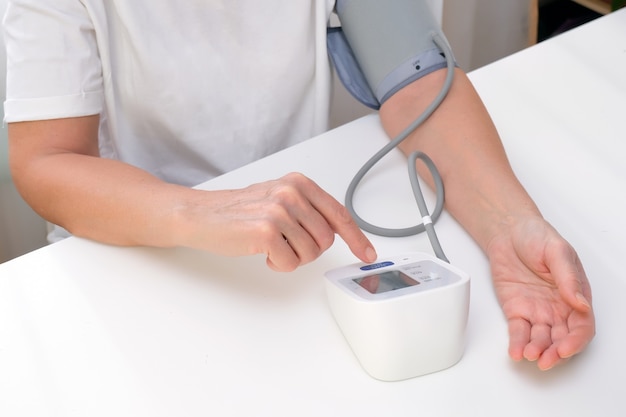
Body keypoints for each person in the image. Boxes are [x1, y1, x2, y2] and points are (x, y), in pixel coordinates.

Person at [3, 1, 594, 371]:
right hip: (126, 258)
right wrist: (199, 211)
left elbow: (419, 87)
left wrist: (511, 226)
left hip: (293, 264)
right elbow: (48, 161)